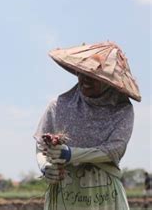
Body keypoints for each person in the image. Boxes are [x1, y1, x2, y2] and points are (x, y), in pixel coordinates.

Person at [35, 41, 141, 210]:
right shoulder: (58, 106)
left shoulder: (121, 110)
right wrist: (45, 166)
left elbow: (115, 149)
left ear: (110, 82)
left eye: (95, 77)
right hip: (65, 193)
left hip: (104, 195)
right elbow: (41, 147)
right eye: (82, 73)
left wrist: (71, 153)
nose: (85, 80)